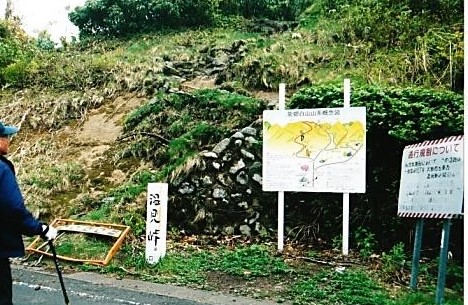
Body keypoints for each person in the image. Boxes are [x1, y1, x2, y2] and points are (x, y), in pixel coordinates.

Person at [0, 121, 58, 305]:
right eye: (6, 136)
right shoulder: (1, 169)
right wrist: (40, 229)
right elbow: (13, 208)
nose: (9, 140)